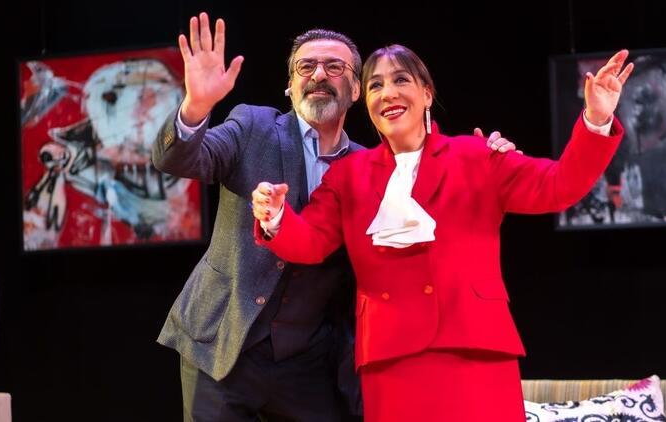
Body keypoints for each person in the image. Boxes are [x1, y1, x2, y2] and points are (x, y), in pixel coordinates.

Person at [152, 13, 518, 422]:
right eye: (306, 66)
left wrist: (485, 167)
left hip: (309, 359)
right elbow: (177, 160)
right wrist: (196, 107)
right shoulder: (253, 126)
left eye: (335, 67)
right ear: (290, 85)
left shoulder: (371, 169)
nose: (319, 75)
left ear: (357, 89)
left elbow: (433, 231)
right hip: (223, 341)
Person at [251, 44, 633, 421]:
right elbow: (311, 241)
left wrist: (596, 119)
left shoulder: (478, 156)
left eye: (401, 80)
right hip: (390, 360)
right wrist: (276, 217)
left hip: (474, 351)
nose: (388, 93)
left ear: (427, 93)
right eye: (375, 85)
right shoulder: (348, 176)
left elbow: (559, 185)